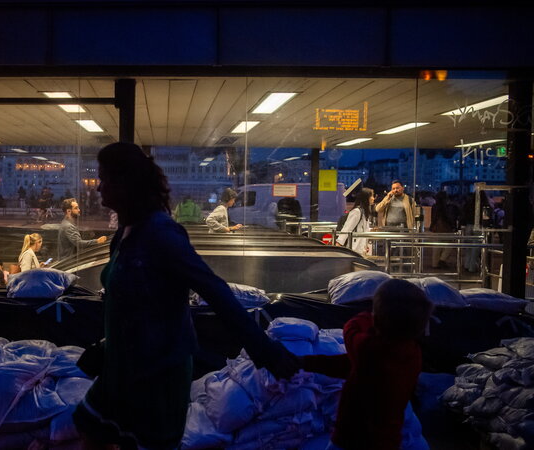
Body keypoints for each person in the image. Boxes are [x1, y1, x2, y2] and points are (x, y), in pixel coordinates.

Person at [73, 142, 300, 450]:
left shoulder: (161, 233)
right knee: (91, 430)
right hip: (123, 366)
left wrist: (266, 352)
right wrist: (107, 347)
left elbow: (216, 292)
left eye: (104, 178)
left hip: (158, 373)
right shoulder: (126, 232)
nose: (98, 187)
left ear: (125, 182)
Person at [302, 279, 434, 450]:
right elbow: (352, 367)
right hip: (387, 441)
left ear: (377, 319)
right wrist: (306, 363)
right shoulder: (411, 353)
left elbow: (350, 329)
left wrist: (366, 315)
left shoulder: (369, 350)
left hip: (352, 440)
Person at [336, 188, 374, 256]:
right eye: (371, 196)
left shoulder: (364, 212)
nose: (373, 198)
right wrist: (339, 243)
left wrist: (366, 244)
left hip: (361, 248)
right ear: (365, 198)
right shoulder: (357, 212)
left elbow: (363, 229)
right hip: (354, 248)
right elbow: (347, 228)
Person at [429, 190, 457, 269]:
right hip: (445, 229)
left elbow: (433, 218)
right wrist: (453, 226)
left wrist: (432, 226)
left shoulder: (434, 206)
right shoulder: (447, 207)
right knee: (450, 244)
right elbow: (448, 218)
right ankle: (442, 259)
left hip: (436, 228)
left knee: (436, 247)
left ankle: (435, 264)